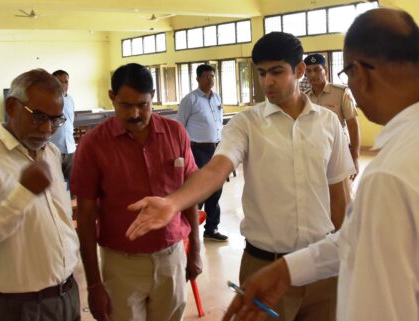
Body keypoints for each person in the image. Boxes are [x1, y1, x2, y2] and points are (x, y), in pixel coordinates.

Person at [217, 8, 419, 321]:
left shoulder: (396, 171)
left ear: (362, 73)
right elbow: (358, 238)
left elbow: (375, 305)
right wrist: (287, 269)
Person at [126, 32, 354, 321]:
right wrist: (175, 202)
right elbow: (215, 169)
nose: (267, 81)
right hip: (265, 267)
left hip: (321, 266)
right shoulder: (246, 123)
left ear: (298, 71)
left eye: (276, 72)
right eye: (261, 73)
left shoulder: (328, 122)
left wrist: (348, 255)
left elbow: (340, 195)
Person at [70, 63, 201, 321]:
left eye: (143, 104)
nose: (135, 113)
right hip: (121, 264)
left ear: (152, 95)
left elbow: (189, 194)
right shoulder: (94, 144)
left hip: (171, 256)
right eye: (125, 105)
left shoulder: (175, 133)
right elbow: (85, 218)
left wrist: (195, 249)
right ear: (112, 97)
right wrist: (94, 284)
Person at [0, 69, 80, 321]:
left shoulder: (50, 152)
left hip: (67, 294)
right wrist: (22, 195)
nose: (46, 128)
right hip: (21, 308)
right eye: (38, 116)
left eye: (55, 120)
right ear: (11, 106)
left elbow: (49, 226)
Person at [177, 64, 227, 241]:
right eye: (206, 76)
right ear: (197, 79)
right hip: (197, 149)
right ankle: (190, 228)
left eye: (212, 76)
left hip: (216, 148)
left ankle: (211, 228)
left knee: (216, 188)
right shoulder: (190, 100)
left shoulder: (216, 98)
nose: (210, 79)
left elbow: (219, 123)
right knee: (199, 189)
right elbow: (180, 127)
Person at [304, 53, 361, 201]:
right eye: (308, 71)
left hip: (340, 151)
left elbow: (353, 124)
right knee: (320, 197)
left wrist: (354, 156)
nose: (312, 74)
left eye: (317, 69)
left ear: (326, 71)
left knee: (344, 197)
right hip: (314, 154)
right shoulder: (304, 98)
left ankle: (347, 224)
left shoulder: (341, 93)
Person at [50, 70, 77, 185]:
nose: (64, 85)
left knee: (73, 182)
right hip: (54, 147)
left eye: (66, 82)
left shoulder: (70, 100)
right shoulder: (48, 100)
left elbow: (70, 122)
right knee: (56, 183)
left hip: (70, 147)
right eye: (59, 82)